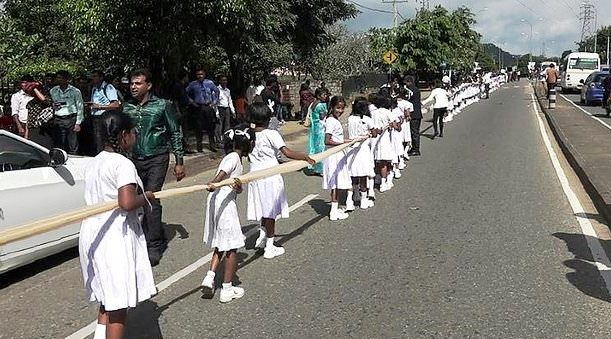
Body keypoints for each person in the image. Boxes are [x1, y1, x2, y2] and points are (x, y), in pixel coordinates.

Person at [79, 111, 157, 339]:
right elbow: (127, 202)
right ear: (124, 135)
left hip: (94, 234)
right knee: (118, 307)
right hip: (114, 238)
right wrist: (147, 196)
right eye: (133, 133)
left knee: (107, 297)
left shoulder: (95, 162)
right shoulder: (122, 164)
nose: (135, 137)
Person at [123, 69, 186, 267]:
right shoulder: (127, 108)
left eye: (138, 83)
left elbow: (175, 132)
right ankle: (136, 239)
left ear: (148, 85)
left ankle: (155, 245)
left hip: (157, 157)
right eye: (132, 83)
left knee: (151, 198)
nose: (133, 87)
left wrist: (179, 161)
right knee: (134, 200)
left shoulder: (162, 105)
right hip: (133, 159)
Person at [247, 102, 315, 259]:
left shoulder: (249, 135)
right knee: (270, 212)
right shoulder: (271, 134)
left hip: (255, 176)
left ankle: (262, 237)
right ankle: (270, 245)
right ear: (268, 118)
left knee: (264, 209)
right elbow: (287, 152)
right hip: (270, 176)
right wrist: (304, 157)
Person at [200, 125, 254, 303]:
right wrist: (214, 182)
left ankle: (209, 277)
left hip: (220, 201)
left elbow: (235, 186)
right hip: (224, 205)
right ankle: (227, 288)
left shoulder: (236, 159)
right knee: (232, 247)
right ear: (247, 144)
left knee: (222, 242)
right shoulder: (233, 157)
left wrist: (238, 187)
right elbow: (222, 175)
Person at [322, 96, 354, 220]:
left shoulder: (334, 120)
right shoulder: (331, 121)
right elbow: (328, 140)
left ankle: (336, 208)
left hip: (338, 153)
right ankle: (333, 211)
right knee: (335, 183)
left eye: (342, 108)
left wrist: (349, 141)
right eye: (338, 108)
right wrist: (343, 144)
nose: (340, 111)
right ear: (332, 107)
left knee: (338, 183)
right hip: (333, 155)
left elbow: (337, 138)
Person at [346, 97, 376, 210]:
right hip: (363, 149)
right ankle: (363, 199)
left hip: (352, 148)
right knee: (363, 175)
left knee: (353, 173)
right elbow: (374, 133)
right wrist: (369, 133)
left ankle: (354, 196)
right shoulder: (367, 119)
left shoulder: (350, 119)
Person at [49, 70, 85, 154]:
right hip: (58, 119)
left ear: (66, 79)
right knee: (59, 143)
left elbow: (80, 107)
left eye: (61, 78)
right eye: (57, 78)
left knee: (72, 143)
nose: (58, 80)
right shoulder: (53, 90)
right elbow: (53, 103)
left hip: (71, 119)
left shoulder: (75, 91)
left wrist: (78, 123)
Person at [186, 68, 220, 152]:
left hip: (208, 106)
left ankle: (212, 145)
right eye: (198, 74)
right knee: (198, 127)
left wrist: (214, 102)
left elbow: (217, 91)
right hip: (198, 107)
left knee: (211, 127)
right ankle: (199, 146)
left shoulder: (210, 83)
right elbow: (185, 93)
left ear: (204, 75)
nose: (200, 76)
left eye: (201, 74)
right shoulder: (193, 84)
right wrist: (192, 102)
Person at [90, 70, 121, 155]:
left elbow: (115, 104)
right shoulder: (94, 88)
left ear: (101, 77)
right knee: (97, 140)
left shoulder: (108, 87)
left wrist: (100, 107)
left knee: (105, 139)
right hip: (95, 118)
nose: (93, 78)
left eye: (95, 76)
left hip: (105, 117)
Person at [305, 88, 329, 176]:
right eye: (324, 95)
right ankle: (321, 169)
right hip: (320, 128)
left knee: (314, 146)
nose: (326, 96)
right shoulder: (321, 105)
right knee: (321, 147)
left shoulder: (313, 104)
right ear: (319, 96)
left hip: (314, 128)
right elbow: (322, 118)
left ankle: (315, 166)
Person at [405, 76, 422, 156]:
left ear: (408, 82)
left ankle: (416, 149)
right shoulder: (417, 89)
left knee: (414, 132)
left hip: (413, 114)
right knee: (415, 131)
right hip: (418, 113)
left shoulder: (409, 90)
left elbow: (407, 99)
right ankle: (414, 148)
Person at [216, 75, 235, 141]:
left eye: (225, 80)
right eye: (223, 80)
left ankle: (226, 139)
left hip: (226, 108)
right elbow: (215, 102)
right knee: (219, 124)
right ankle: (218, 140)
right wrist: (216, 113)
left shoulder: (228, 90)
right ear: (220, 81)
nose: (225, 82)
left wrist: (233, 111)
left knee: (227, 125)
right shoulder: (217, 89)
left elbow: (230, 101)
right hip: (219, 108)